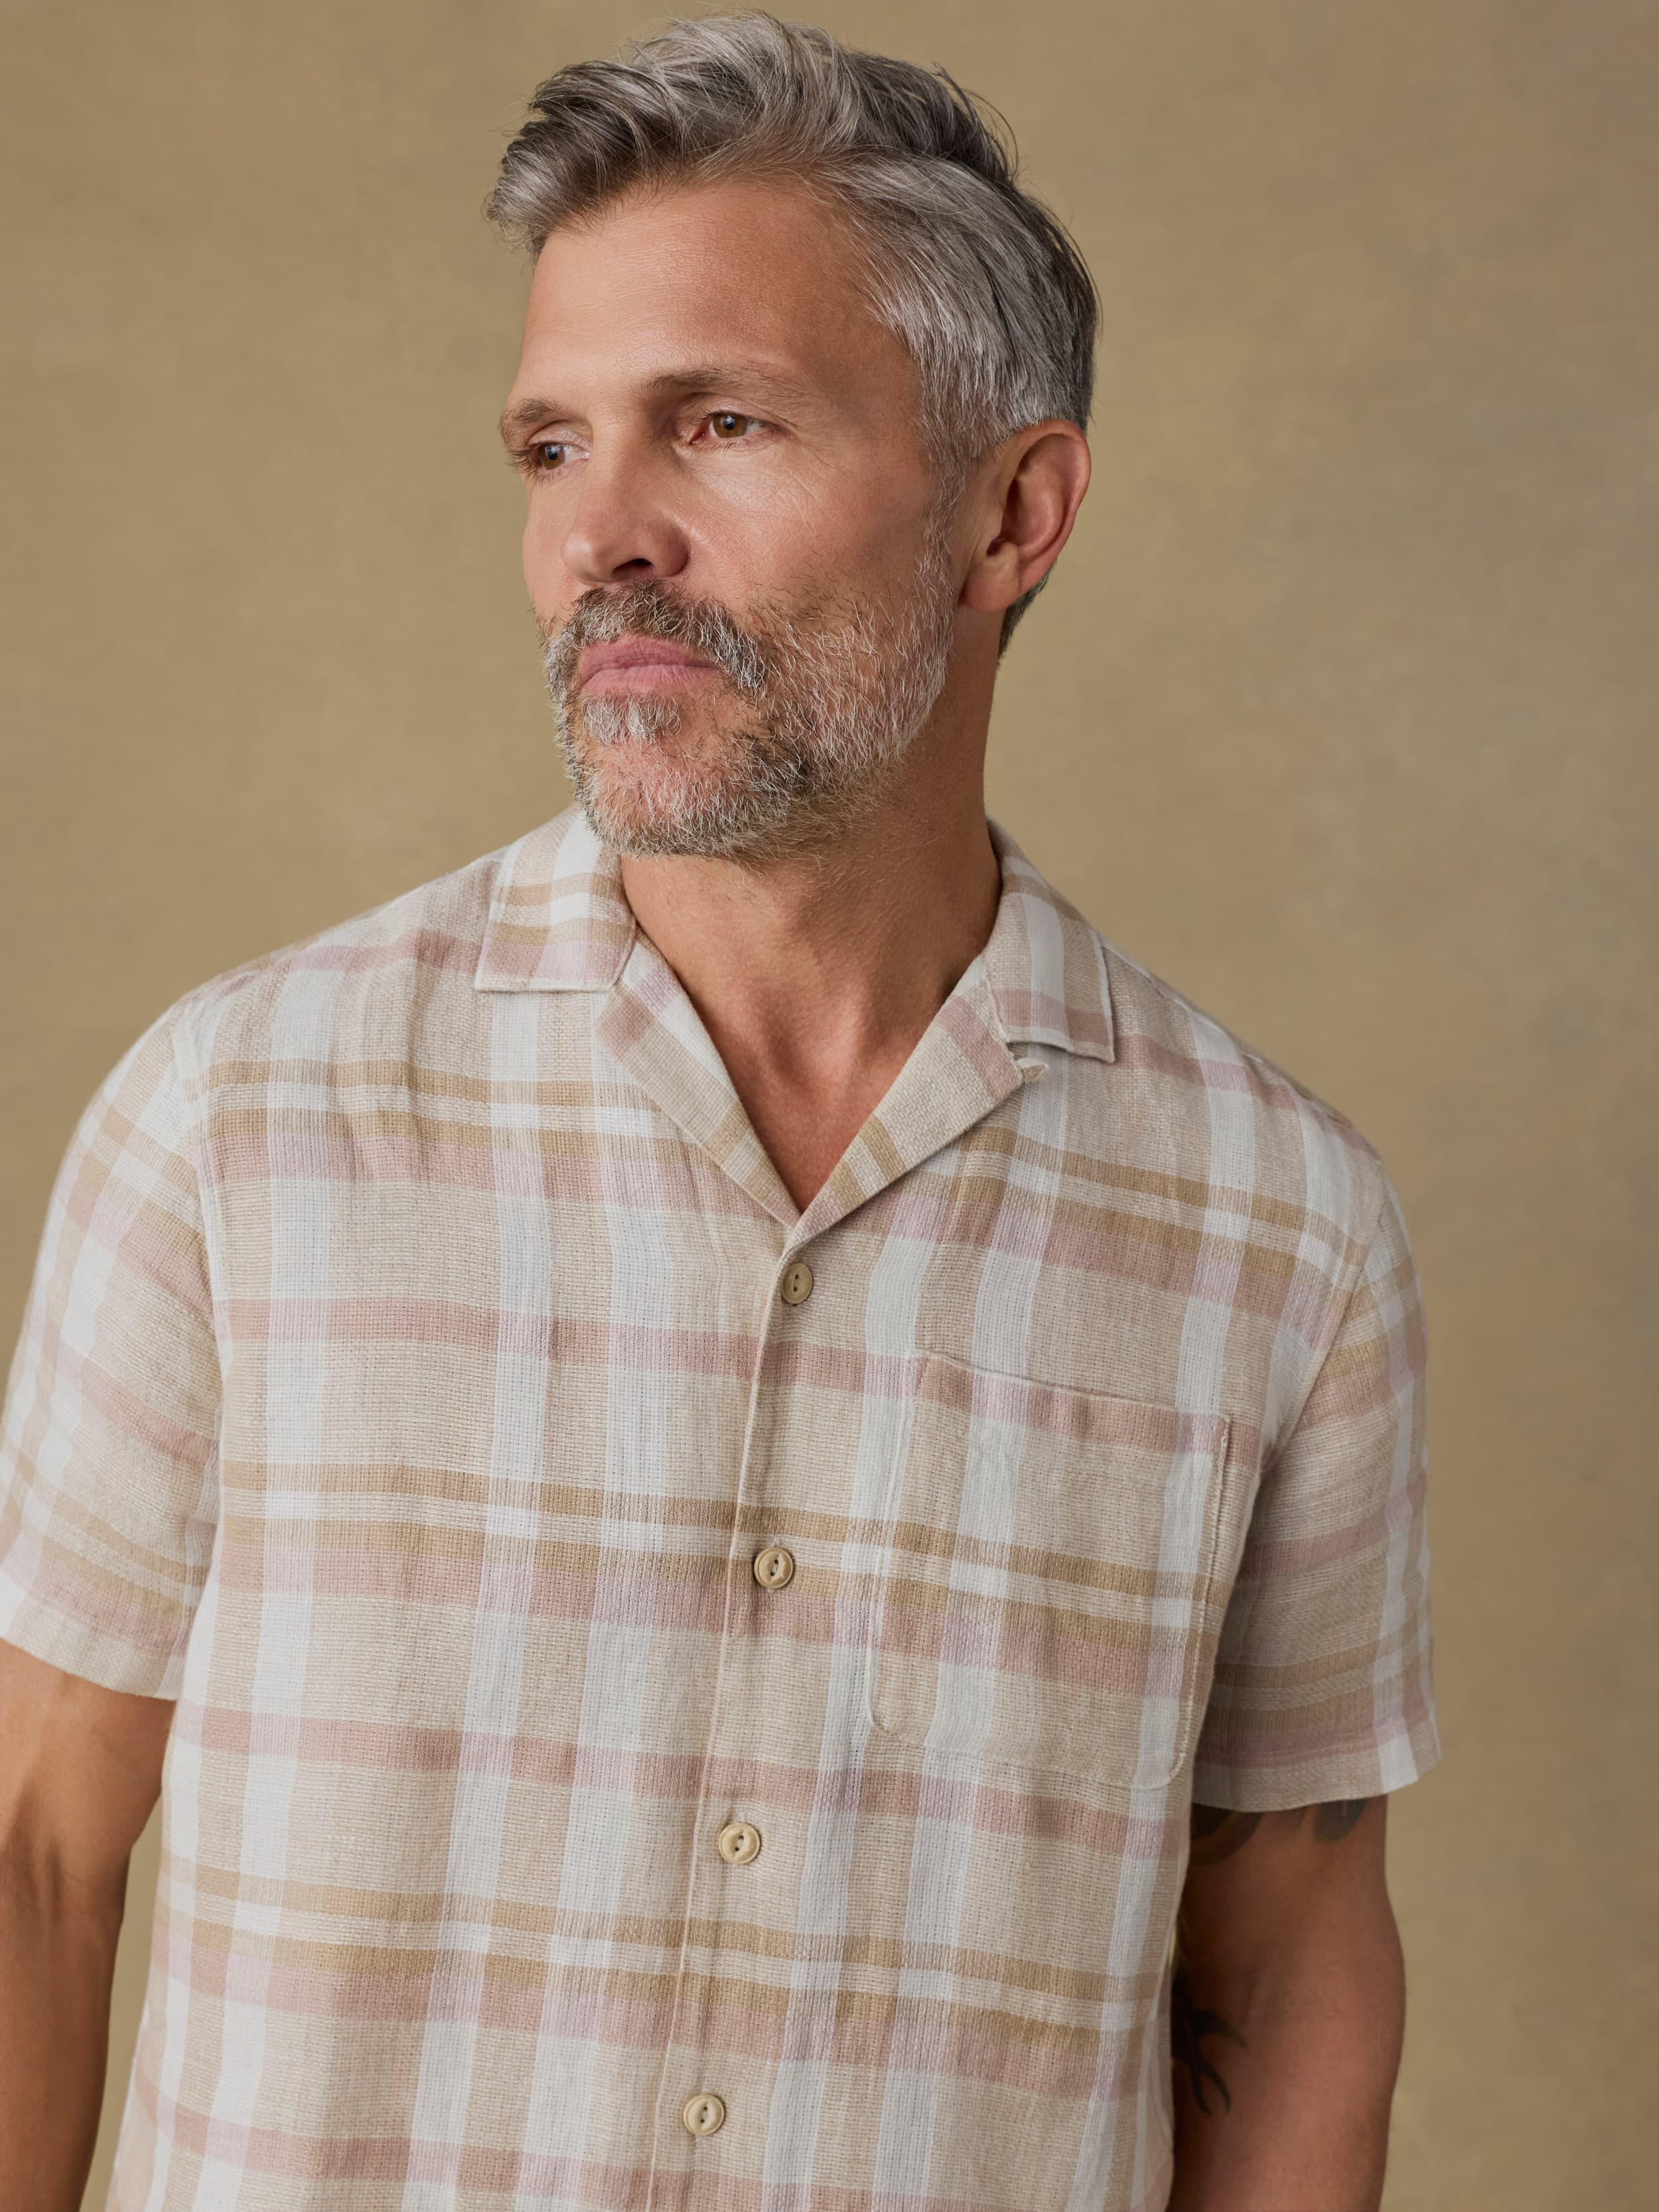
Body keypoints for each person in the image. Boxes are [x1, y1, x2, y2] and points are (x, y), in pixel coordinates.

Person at [0, 17, 1438, 2211]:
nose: (602, 538)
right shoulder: (240, 1122)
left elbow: (1284, 1938)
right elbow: (33, 1856)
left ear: (1010, 512)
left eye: (720, 424)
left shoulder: (1275, 1230)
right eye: (551, 448)